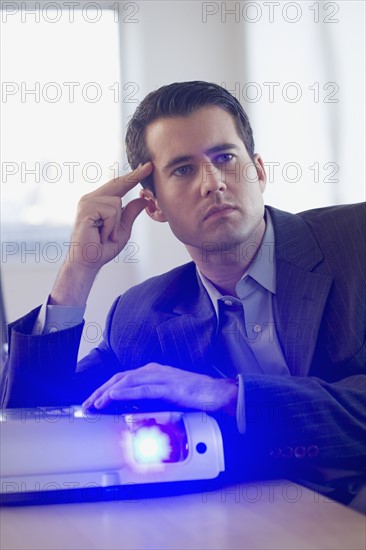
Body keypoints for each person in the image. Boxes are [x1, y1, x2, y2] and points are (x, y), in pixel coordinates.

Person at [1, 81, 365, 510]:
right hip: (252, 522)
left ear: (259, 171)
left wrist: (228, 394)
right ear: (153, 205)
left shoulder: (355, 244)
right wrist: (77, 273)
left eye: (225, 158)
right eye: (183, 170)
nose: (212, 183)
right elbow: (31, 436)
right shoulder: (141, 316)